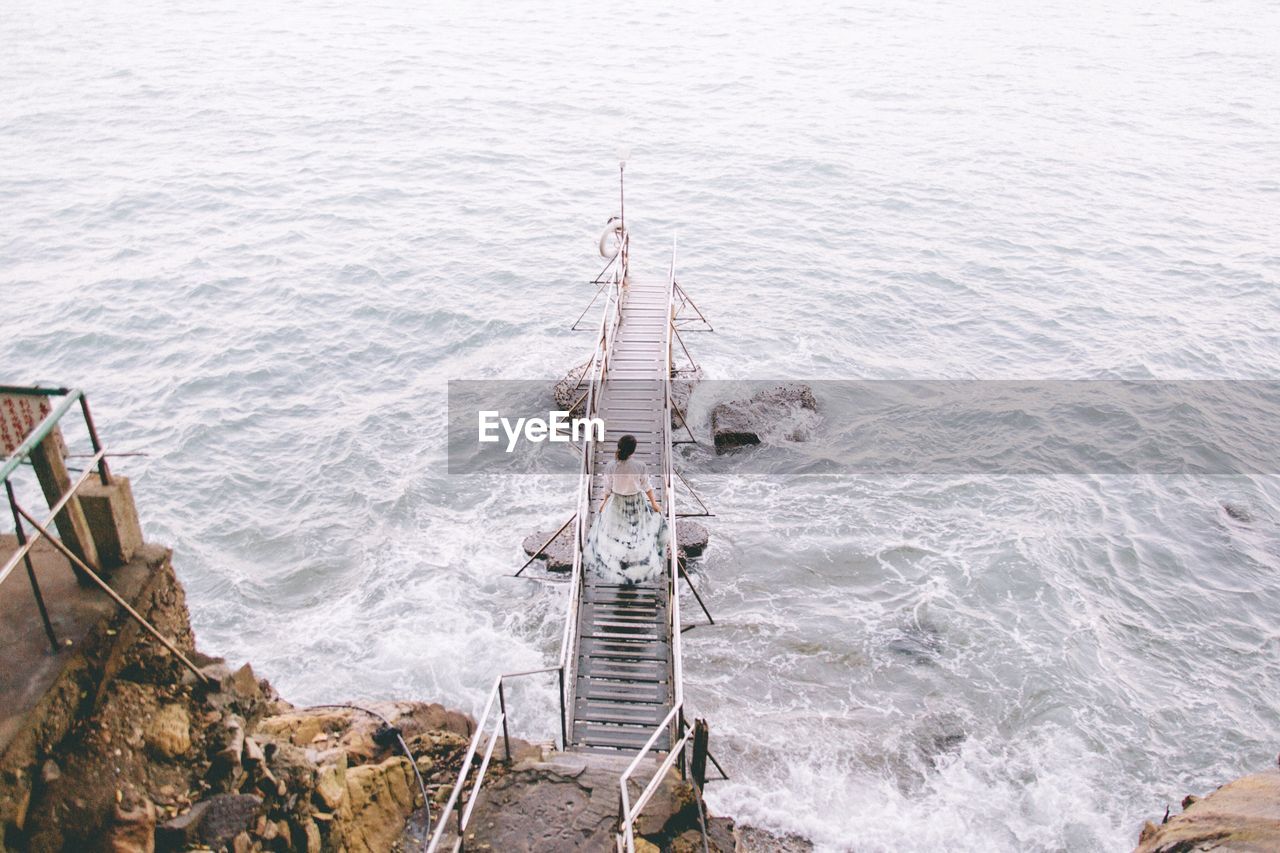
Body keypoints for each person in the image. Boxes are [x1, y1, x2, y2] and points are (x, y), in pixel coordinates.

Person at [583, 434, 669, 585]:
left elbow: (608, 488)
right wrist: (654, 504)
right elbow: (647, 487)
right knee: (636, 531)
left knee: (619, 531)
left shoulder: (611, 466)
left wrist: (603, 503)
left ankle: (621, 560)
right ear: (633, 451)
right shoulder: (640, 466)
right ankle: (635, 561)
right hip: (636, 502)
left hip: (617, 502)